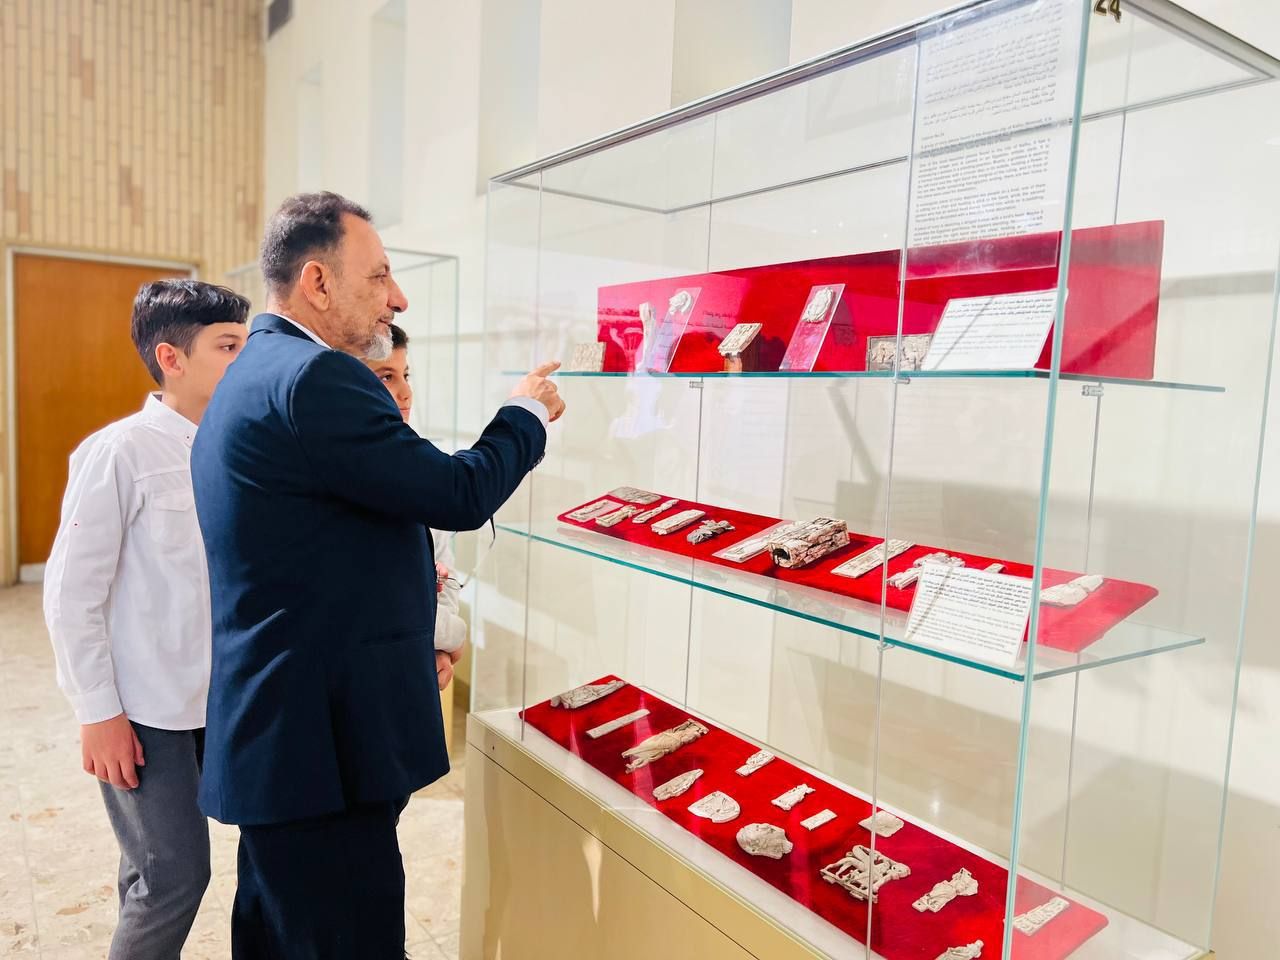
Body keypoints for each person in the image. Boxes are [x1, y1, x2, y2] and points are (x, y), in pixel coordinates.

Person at [191, 191, 564, 959]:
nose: (397, 297)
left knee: (281, 932)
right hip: (321, 749)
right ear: (318, 282)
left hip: (290, 739)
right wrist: (523, 414)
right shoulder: (316, 378)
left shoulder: (256, 371)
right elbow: (456, 493)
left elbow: (329, 548)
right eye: (379, 275)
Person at [42, 280, 251, 960]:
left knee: (150, 870)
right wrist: (97, 711)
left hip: (220, 700)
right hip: (146, 712)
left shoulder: (238, 446)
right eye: (228, 346)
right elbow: (71, 593)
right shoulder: (121, 451)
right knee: (173, 878)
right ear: (171, 357)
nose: (244, 360)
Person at [363, 323, 465, 691]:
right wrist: (452, 635)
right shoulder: (349, 470)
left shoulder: (422, 463)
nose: (406, 392)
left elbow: (445, 571)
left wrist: (438, 646)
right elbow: (381, 599)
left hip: (417, 658)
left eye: (405, 375)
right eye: (386, 377)